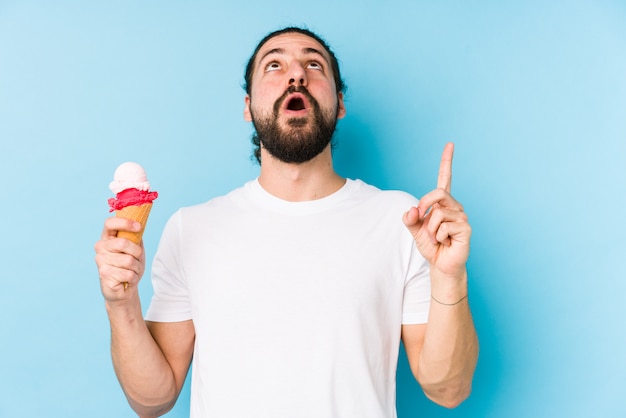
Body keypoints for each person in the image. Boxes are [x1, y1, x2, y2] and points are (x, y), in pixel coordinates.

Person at [94, 26, 478, 418]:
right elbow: (152, 401)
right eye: (274, 65)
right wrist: (121, 304)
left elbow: (448, 389)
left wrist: (450, 276)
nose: (296, 74)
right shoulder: (190, 228)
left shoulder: (402, 220)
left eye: (313, 64)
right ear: (247, 106)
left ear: (340, 103)